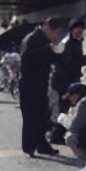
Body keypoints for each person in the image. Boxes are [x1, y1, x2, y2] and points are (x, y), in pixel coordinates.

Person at [18, 17, 63, 158]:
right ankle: (29, 147)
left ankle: (42, 144)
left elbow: (51, 59)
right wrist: (48, 49)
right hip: (29, 83)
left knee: (43, 115)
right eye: (54, 32)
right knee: (31, 116)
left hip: (41, 82)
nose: (55, 36)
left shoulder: (46, 40)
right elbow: (27, 60)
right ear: (47, 28)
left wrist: (57, 52)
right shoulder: (31, 39)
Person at [51, 19, 86, 114]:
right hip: (63, 81)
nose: (79, 33)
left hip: (70, 79)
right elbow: (70, 63)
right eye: (77, 31)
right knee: (65, 108)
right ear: (72, 30)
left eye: (81, 31)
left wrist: (85, 58)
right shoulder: (68, 43)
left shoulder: (76, 42)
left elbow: (76, 59)